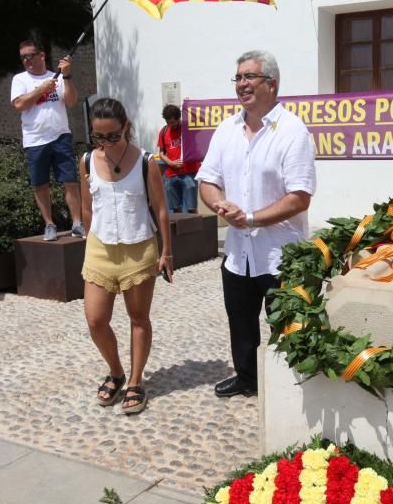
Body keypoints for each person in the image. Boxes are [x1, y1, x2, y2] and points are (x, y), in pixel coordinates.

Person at [197, 50, 316, 397]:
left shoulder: (292, 131)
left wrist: (250, 218)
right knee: (241, 321)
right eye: (238, 78)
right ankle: (248, 377)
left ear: (272, 84)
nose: (242, 84)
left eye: (249, 77)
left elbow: (299, 196)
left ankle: (293, 387)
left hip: (281, 254)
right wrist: (218, 203)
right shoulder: (226, 129)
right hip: (238, 254)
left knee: (289, 326)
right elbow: (207, 178)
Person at [80, 98, 173, 415]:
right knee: (95, 320)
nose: (105, 143)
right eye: (98, 137)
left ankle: (135, 381)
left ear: (126, 129)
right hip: (99, 248)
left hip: (138, 247)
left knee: (138, 318)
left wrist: (166, 252)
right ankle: (116, 370)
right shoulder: (87, 161)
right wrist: (88, 244)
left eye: (112, 136)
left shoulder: (147, 161)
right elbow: (87, 208)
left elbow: (161, 209)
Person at [10, 39, 84, 241]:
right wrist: (40, 90)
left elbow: (71, 101)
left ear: (41, 55)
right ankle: (49, 224)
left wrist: (66, 76)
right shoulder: (20, 80)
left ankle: (77, 223)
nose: (26, 61)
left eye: (29, 56)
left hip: (60, 135)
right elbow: (18, 105)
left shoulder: (57, 77)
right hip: (35, 140)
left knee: (70, 181)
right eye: (23, 57)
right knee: (40, 184)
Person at [156, 104, 200, 213]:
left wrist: (189, 107)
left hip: (189, 173)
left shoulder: (188, 128)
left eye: (173, 122)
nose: (171, 125)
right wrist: (171, 163)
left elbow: (200, 124)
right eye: (168, 122)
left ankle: (194, 229)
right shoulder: (164, 131)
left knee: (191, 208)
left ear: (178, 118)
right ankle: (179, 230)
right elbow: (161, 153)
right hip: (171, 175)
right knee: (175, 209)